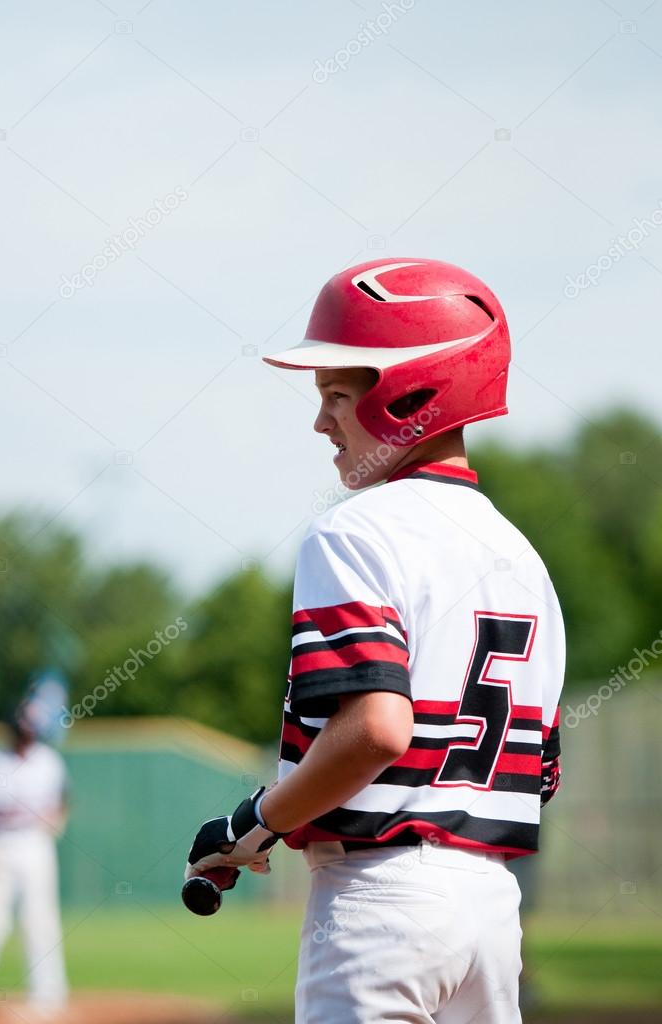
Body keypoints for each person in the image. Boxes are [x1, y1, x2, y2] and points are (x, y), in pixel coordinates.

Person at [185, 258, 564, 1023]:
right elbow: (541, 773)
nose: (321, 422)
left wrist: (253, 823)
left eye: (336, 396)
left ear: (408, 393)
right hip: (491, 911)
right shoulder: (525, 559)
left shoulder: (353, 533)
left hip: (380, 902)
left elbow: (377, 730)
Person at [0, 673, 69, 1019]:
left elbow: (62, 802)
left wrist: (52, 823)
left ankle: (48, 994)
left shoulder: (48, 761)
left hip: (35, 845)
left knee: (40, 920)